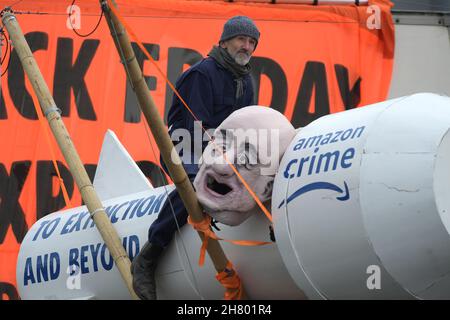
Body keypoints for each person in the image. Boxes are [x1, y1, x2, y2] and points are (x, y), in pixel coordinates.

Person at [131, 15, 260, 300]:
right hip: (185, 146)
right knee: (194, 183)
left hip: (222, 152)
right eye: (242, 39)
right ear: (225, 41)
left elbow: (247, 126)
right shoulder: (203, 73)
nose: (247, 47)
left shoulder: (247, 81)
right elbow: (194, 128)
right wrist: (221, 163)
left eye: (252, 42)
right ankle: (148, 256)